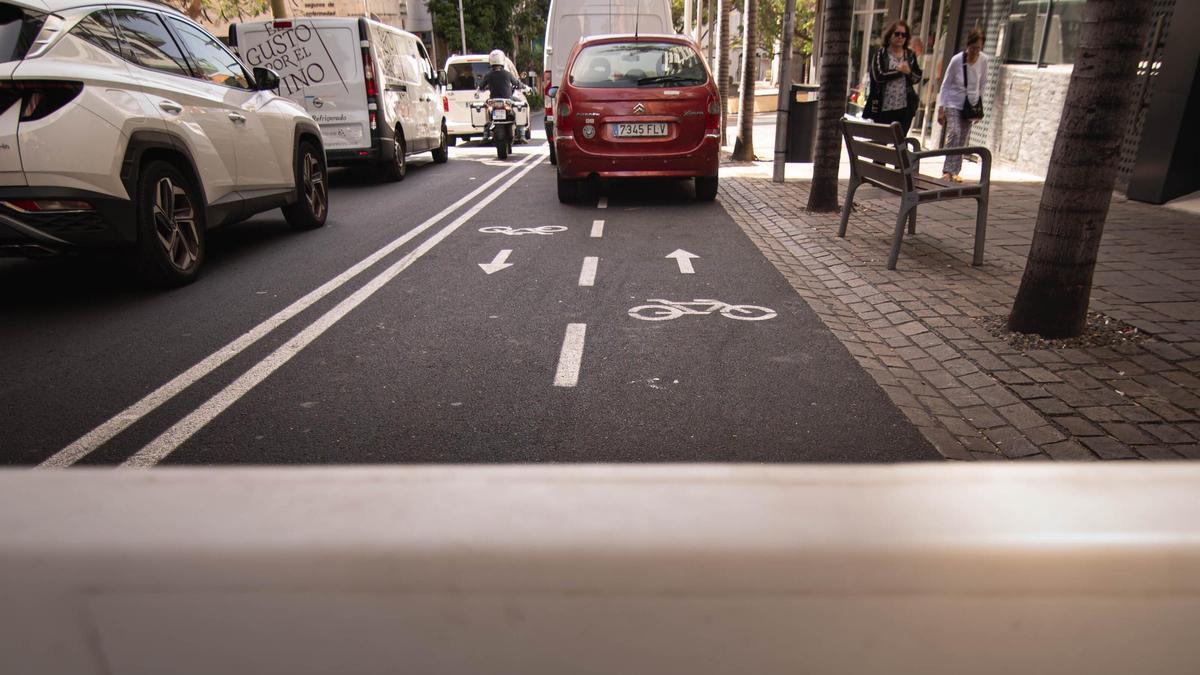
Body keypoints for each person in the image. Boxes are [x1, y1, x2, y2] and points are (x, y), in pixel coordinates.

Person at [937, 29, 989, 183]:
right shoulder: (957, 60)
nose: (975, 52)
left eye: (978, 48)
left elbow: (983, 83)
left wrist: (979, 107)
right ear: (968, 46)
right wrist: (942, 107)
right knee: (954, 133)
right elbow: (946, 84)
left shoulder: (984, 60)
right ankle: (947, 170)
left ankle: (955, 171)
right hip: (953, 102)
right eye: (973, 48)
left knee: (962, 138)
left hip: (970, 105)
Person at [863, 21, 922, 134]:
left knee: (900, 143)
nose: (900, 37)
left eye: (903, 35)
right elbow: (879, 76)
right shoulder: (881, 54)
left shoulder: (909, 55)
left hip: (904, 108)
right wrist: (900, 71)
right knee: (880, 142)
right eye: (897, 34)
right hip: (883, 107)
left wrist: (908, 72)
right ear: (890, 35)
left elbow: (917, 77)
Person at [477, 49, 529, 142]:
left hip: (493, 101)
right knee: (520, 106)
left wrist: (479, 90)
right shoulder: (507, 73)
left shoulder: (488, 75)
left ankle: (485, 134)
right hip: (508, 100)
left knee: (486, 110)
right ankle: (521, 134)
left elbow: (481, 87)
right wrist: (526, 88)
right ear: (502, 60)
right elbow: (517, 83)